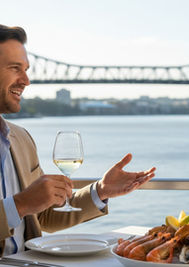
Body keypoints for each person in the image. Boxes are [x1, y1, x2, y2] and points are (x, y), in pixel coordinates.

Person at [0, 24, 156, 256]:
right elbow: (23, 206)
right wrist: (19, 204)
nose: (26, 80)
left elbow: (43, 216)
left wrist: (100, 191)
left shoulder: (20, 139)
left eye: (26, 69)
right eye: (15, 68)